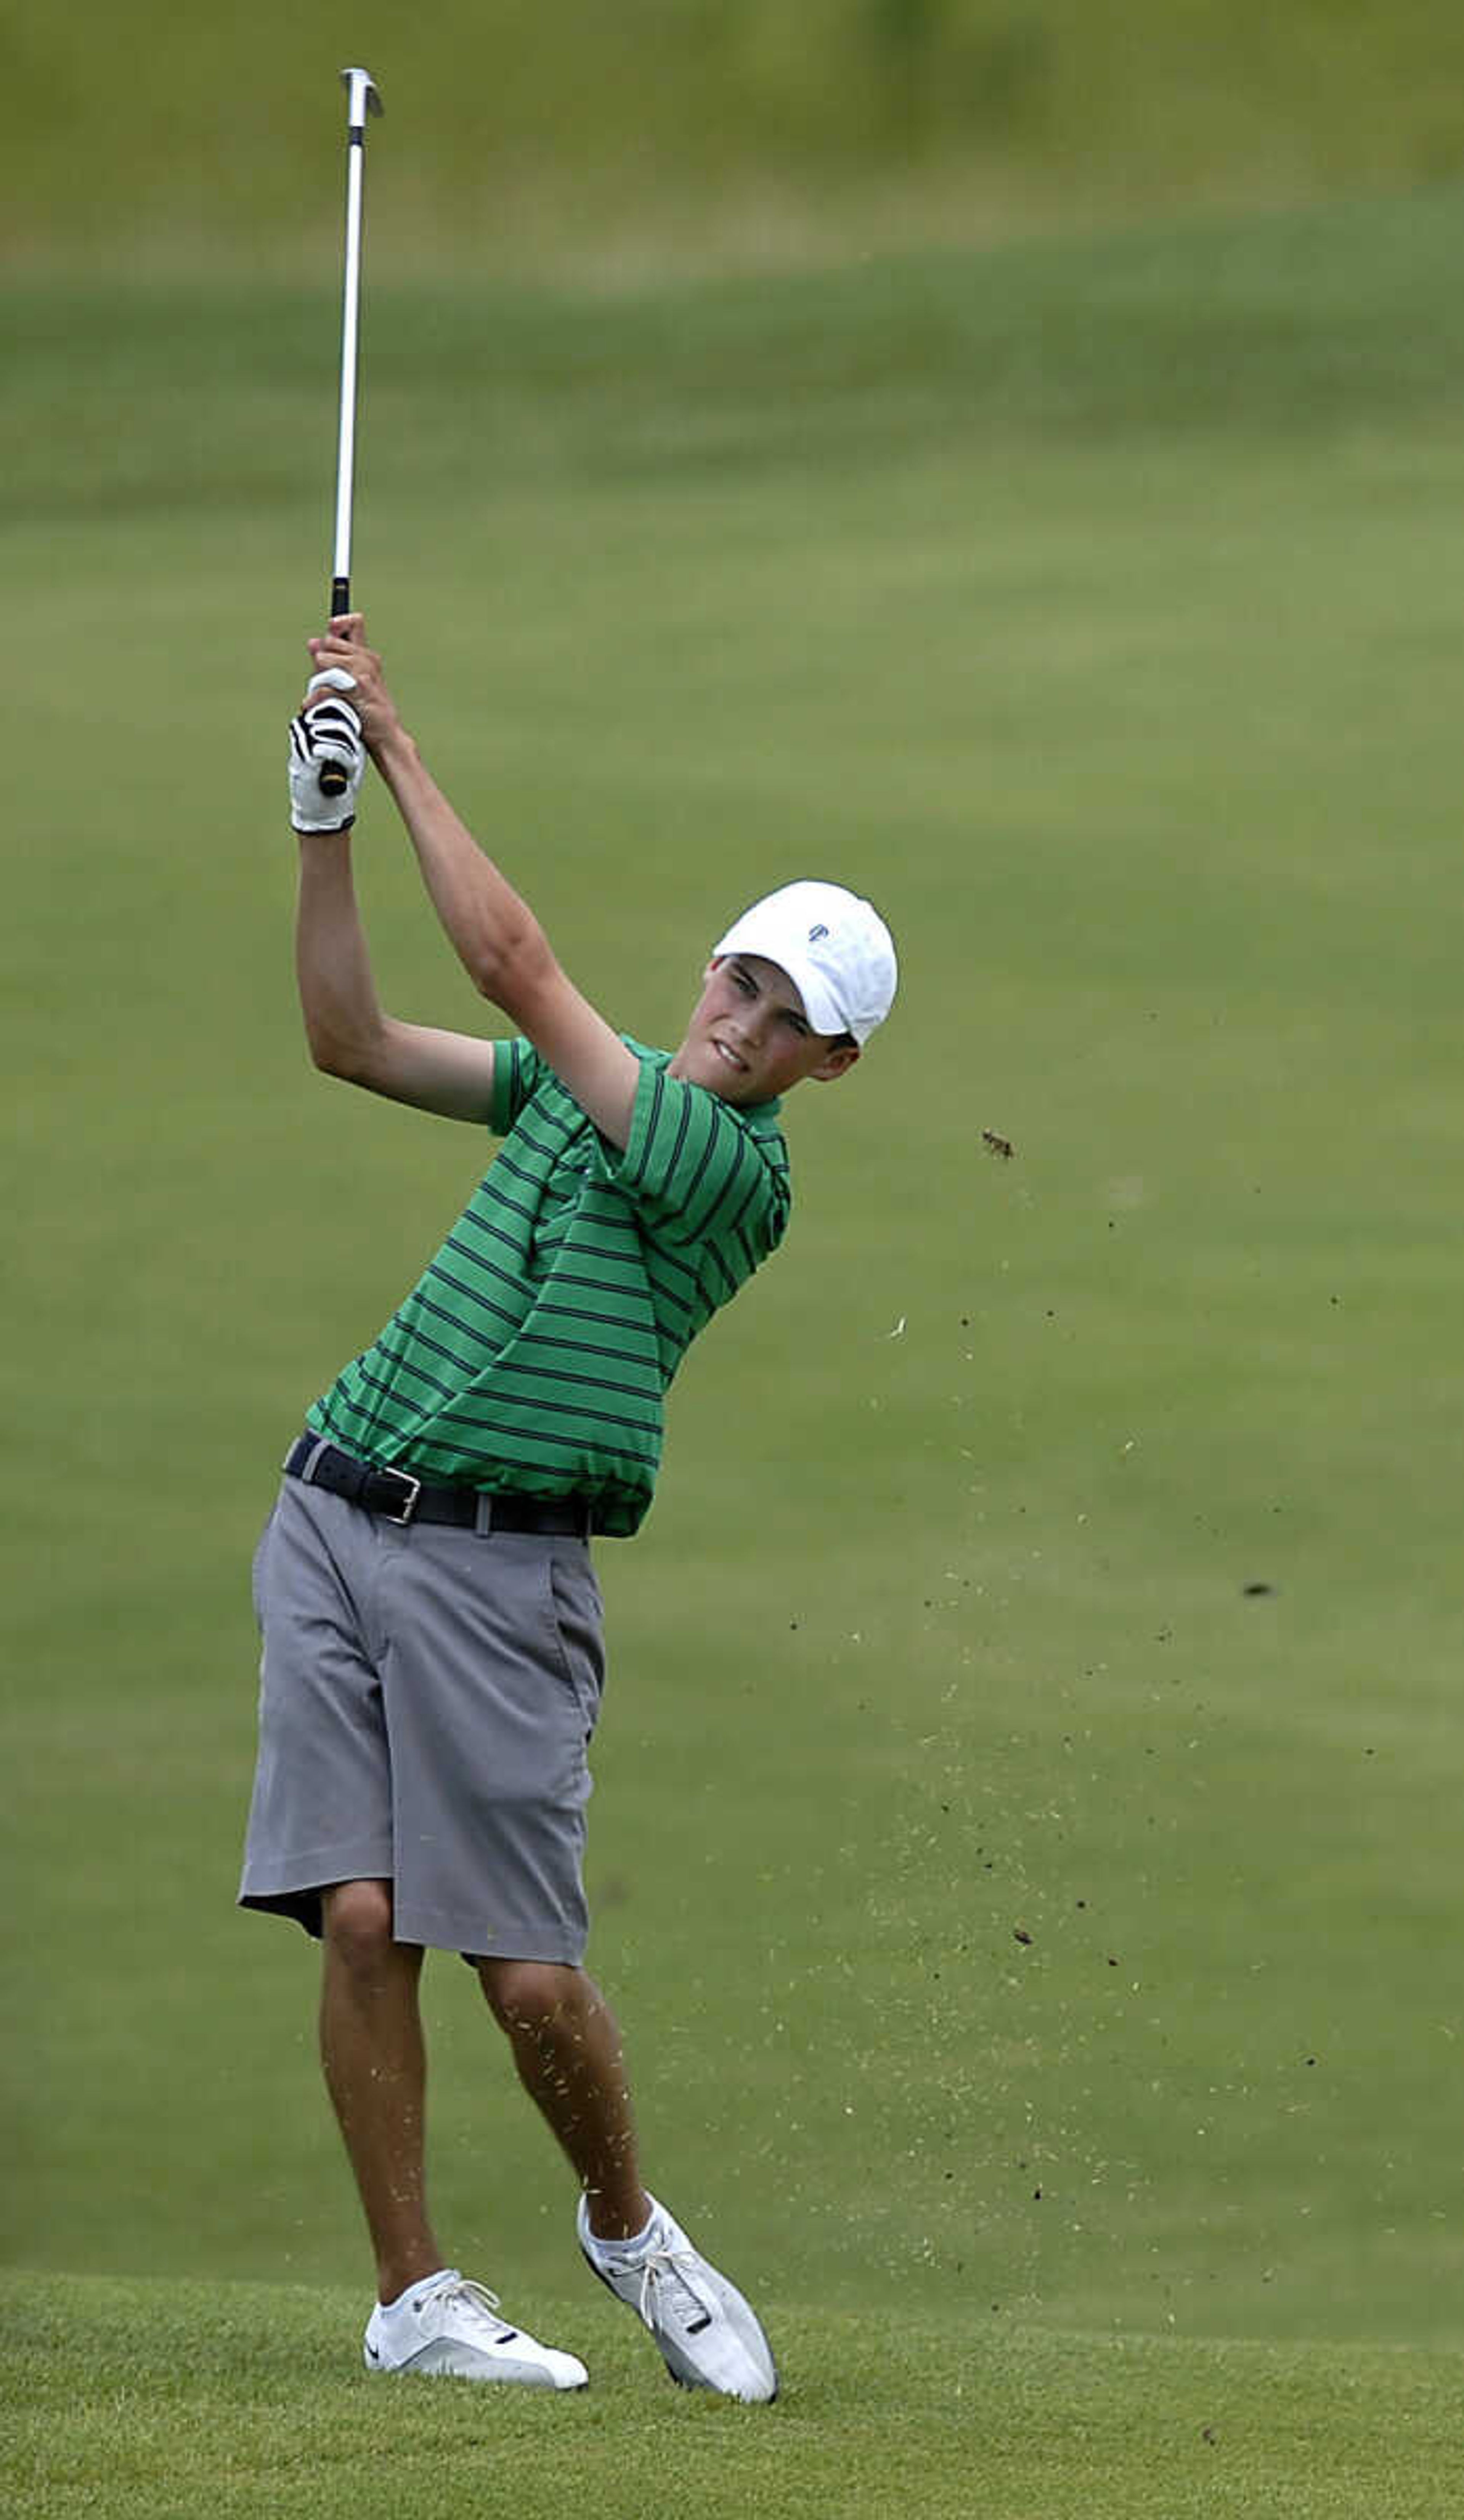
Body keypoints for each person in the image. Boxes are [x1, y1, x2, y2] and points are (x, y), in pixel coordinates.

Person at [239, 616, 897, 2401]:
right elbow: (350, 1038)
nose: (742, 1025)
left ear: (828, 1070)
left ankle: (624, 2228)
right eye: (740, 984)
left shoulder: (724, 1174)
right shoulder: (569, 1089)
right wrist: (321, 831)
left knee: (528, 1981)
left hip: (502, 1576)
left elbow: (519, 961)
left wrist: (397, 750)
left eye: (787, 1025)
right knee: (363, 1920)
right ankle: (414, 2300)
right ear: (714, 967)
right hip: (331, 1512)